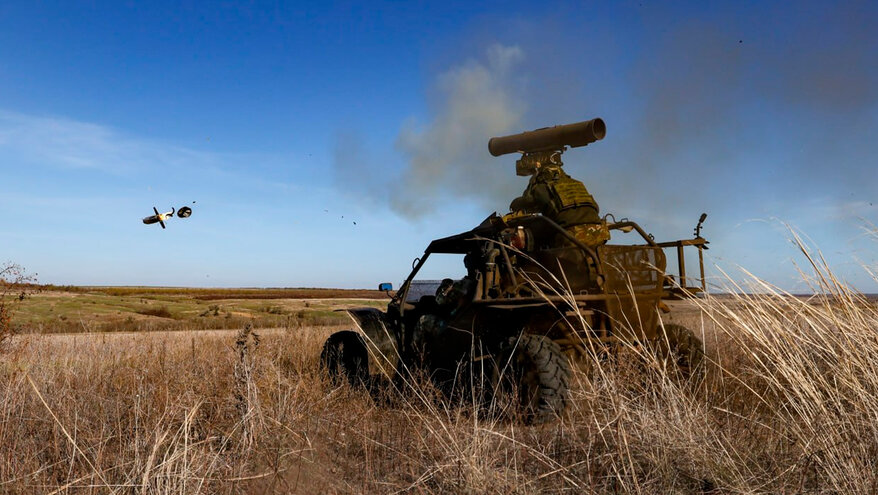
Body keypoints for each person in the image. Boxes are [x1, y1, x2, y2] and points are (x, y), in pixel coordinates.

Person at [509, 162, 609, 247]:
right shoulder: (577, 184)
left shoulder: (542, 188)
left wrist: (515, 203)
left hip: (572, 237)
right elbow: (596, 208)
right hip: (599, 233)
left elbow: (526, 203)